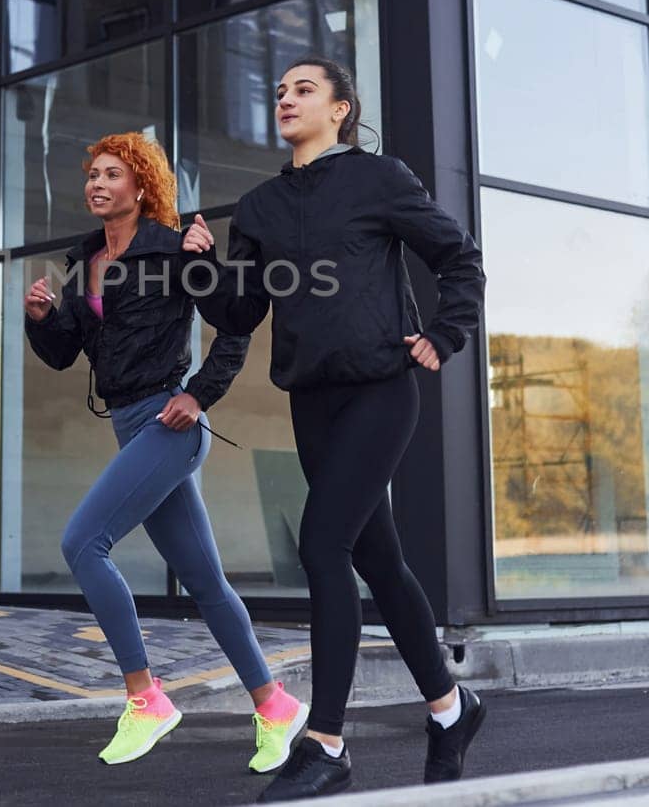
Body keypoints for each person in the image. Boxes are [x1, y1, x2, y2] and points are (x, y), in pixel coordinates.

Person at [186, 57, 487, 800]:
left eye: (304, 89)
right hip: (312, 400)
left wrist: (444, 334)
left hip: (382, 391)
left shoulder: (380, 178)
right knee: (380, 565)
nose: (285, 97)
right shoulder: (258, 208)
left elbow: (459, 259)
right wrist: (200, 270)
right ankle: (451, 710)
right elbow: (240, 312)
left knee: (323, 543)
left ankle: (325, 742)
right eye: (280, 88)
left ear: (341, 110)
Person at [24, 131, 308, 773]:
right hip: (128, 423)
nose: (97, 184)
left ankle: (145, 697)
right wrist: (42, 318)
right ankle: (273, 703)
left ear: (141, 186)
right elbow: (66, 351)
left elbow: (235, 325)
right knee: (206, 582)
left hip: (169, 422)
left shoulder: (175, 247)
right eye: (91, 174)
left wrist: (200, 395)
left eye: (112, 174)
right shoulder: (87, 258)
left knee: (82, 543)